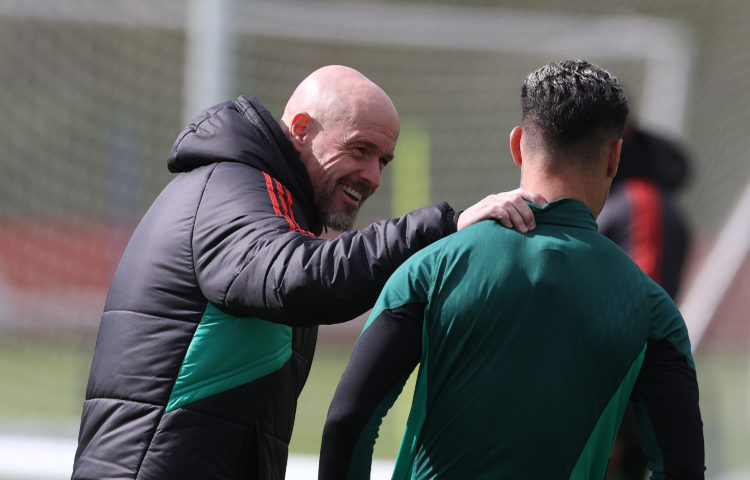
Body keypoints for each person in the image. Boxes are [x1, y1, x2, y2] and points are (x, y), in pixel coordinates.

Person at [71, 65, 545, 480]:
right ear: (300, 128)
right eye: (359, 150)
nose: (374, 177)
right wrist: (443, 226)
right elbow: (298, 279)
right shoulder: (234, 186)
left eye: (383, 160)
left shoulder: (265, 199)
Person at [318, 60, 705, 479]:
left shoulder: (429, 270)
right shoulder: (652, 310)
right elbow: (681, 467)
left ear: (517, 144)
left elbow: (349, 421)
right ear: (614, 157)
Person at [599, 122, 693, 480]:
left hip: (617, 417)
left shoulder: (642, 202)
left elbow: (641, 318)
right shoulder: (617, 197)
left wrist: (615, 425)